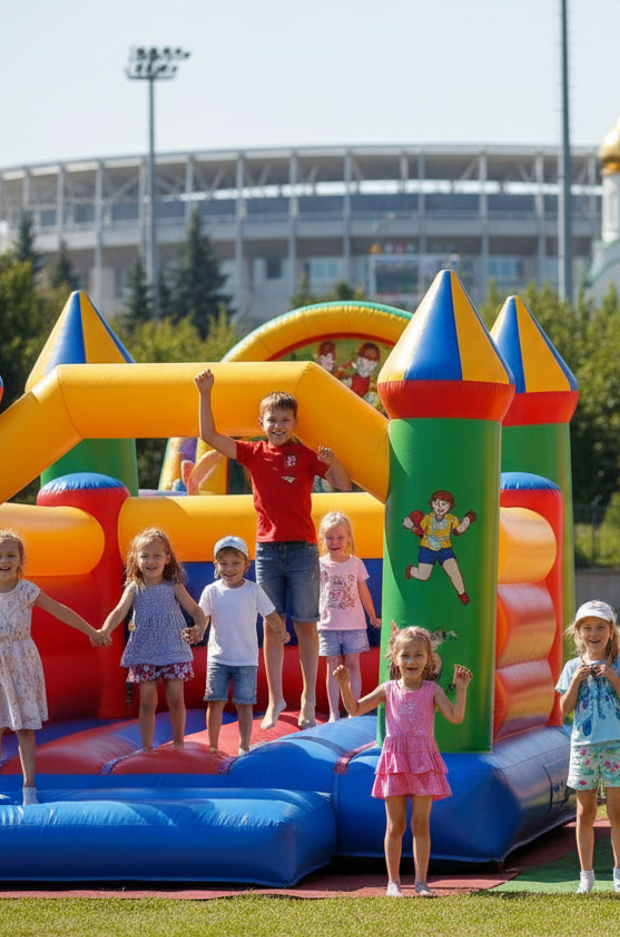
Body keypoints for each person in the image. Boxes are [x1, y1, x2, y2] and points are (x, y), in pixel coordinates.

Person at [195, 368, 351, 731]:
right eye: (272, 419)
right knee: (272, 625)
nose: (278, 425)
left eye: (285, 419)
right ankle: (275, 699)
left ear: (295, 422)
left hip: (301, 550)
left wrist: (334, 459)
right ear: (261, 422)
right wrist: (205, 393)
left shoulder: (306, 455)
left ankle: (308, 701)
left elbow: (342, 484)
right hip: (266, 550)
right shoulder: (254, 452)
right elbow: (209, 435)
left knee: (307, 625)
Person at [0, 530, 108, 806]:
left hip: (21, 660)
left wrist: (91, 631)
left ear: (19, 561)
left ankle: (29, 789)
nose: (4, 560)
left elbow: (60, 610)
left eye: (10, 555)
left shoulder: (27, 591)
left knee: (25, 727)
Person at [335, 624, 471, 898]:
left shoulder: (431, 690)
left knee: (420, 825)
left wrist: (462, 688)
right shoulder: (388, 689)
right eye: (406, 655)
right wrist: (344, 686)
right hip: (396, 760)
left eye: (418, 655)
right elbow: (354, 709)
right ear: (395, 659)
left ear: (429, 660)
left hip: (423, 760)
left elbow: (455, 717)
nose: (412, 661)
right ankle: (393, 882)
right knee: (395, 825)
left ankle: (421, 882)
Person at [556, 600, 620, 894]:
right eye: (588, 628)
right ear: (578, 633)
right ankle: (586, 876)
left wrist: (614, 677)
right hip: (584, 748)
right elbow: (564, 709)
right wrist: (576, 681)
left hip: (615, 745)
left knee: (617, 809)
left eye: (601, 627)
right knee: (585, 812)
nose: (594, 633)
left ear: (610, 631)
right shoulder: (571, 667)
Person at [99, 528, 206, 751]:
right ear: (136, 560)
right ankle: (147, 747)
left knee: (176, 698)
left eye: (157, 555)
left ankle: (179, 743)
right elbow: (119, 611)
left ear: (167, 559)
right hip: (145, 647)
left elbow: (196, 610)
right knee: (147, 700)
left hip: (172, 647)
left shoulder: (173, 585)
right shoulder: (134, 587)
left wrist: (200, 627)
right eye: (145, 556)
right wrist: (104, 631)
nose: (151, 561)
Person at [195, 535, 289, 754]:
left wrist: (279, 630)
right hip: (218, 658)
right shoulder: (212, 590)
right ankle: (212, 745)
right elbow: (203, 617)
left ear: (246, 565)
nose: (230, 568)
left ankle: (244, 745)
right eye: (224, 563)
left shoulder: (253, 590)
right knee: (215, 702)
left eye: (235, 563)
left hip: (246, 659)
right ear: (215, 565)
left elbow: (271, 613)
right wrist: (197, 631)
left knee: (245, 705)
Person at [318, 511, 381, 720]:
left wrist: (372, 615)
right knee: (333, 667)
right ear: (323, 538)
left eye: (340, 537)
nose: (334, 542)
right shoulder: (320, 564)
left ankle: (354, 709)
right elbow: (312, 592)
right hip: (328, 624)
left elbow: (363, 591)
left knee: (354, 664)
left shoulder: (356, 563)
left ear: (348, 538)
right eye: (329, 537)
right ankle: (334, 712)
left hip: (354, 623)